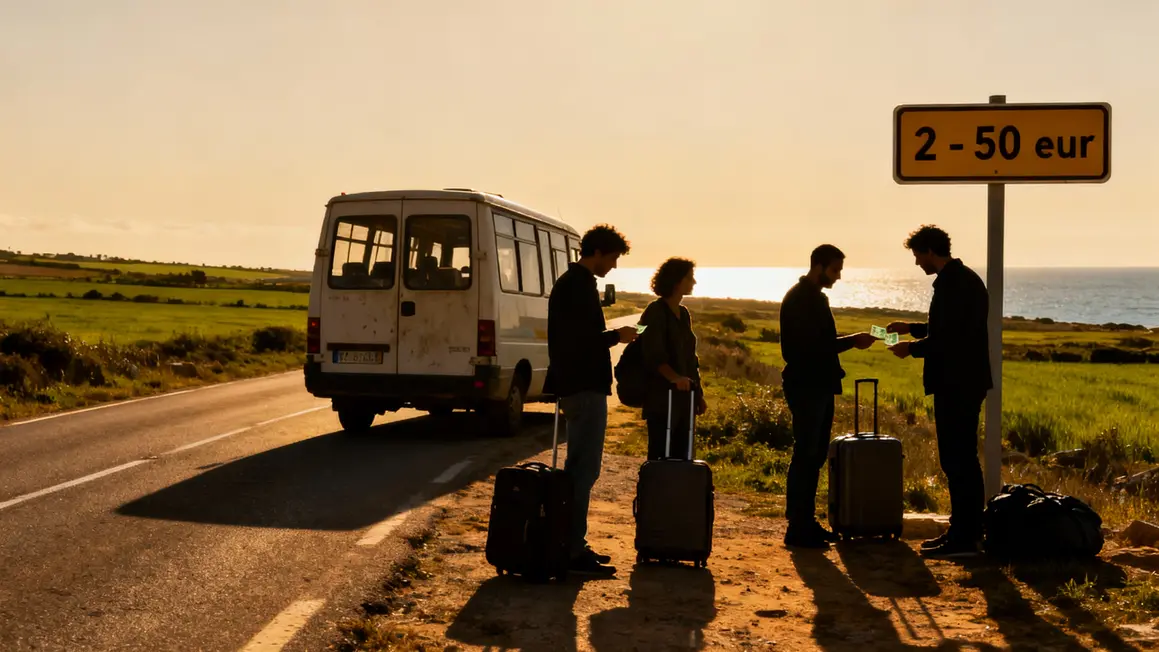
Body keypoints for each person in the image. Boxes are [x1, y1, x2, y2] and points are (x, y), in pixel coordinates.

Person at [886, 225, 993, 559]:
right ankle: (963, 531)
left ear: (930, 251)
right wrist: (911, 328)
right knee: (959, 460)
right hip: (962, 381)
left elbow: (948, 339)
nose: (917, 263)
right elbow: (948, 327)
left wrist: (911, 349)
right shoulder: (962, 280)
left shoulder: (953, 284)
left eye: (918, 255)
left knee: (958, 460)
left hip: (958, 383)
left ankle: (966, 537)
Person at [544, 224, 638, 575]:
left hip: (579, 385)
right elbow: (581, 340)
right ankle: (571, 547)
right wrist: (617, 335)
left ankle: (572, 543)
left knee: (581, 468)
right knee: (583, 470)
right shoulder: (577, 287)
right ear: (597, 252)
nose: (613, 265)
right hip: (583, 387)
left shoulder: (575, 284)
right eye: (612, 258)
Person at [779, 244, 876, 549]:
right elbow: (812, 346)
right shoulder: (800, 299)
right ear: (818, 266)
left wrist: (850, 340)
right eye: (835, 270)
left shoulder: (816, 299)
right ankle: (797, 526)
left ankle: (805, 521)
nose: (838, 277)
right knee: (806, 453)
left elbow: (821, 341)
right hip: (807, 386)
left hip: (819, 385)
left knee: (815, 455)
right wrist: (852, 342)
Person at [639, 257, 707, 460]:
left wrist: (699, 394)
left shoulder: (684, 314)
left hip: (685, 398)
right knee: (661, 455)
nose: (693, 282)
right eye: (690, 278)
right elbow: (653, 354)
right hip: (663, 398)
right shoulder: (655, 311)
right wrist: (674, 378)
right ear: (677, 281)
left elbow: (690, 359)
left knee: (683, 456)